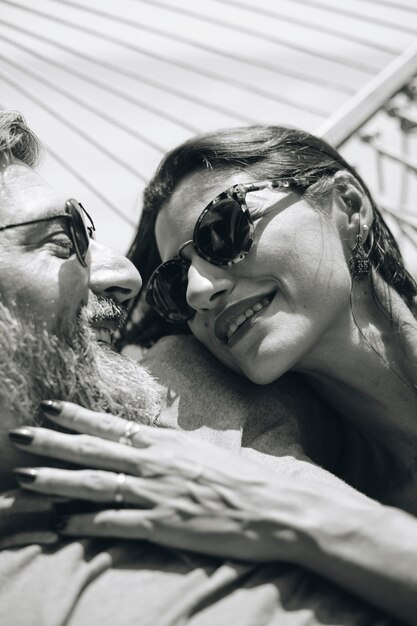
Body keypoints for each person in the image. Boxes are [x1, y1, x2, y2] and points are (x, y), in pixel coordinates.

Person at [0, 111, 393, 625]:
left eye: (223, 229)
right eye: (59, 238)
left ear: (349, 207)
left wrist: (298, 515)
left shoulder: (197, 422)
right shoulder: (195, 394)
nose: (198, 290)